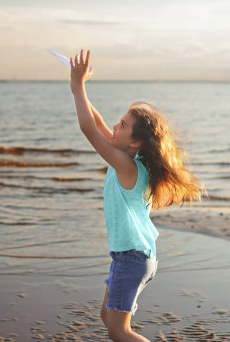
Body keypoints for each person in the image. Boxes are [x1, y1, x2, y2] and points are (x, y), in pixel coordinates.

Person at [69, 49, 202, 341]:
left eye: (123, 126)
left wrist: (76, 86)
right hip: (132, 257)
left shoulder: (126, 166)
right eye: (119, 123)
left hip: (132, 258)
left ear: (136, 141)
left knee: (119, 330)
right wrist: (84, 87)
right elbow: (98, 120)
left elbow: (88, 128)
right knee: (108, 318)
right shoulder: (129, 158)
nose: (115, 127)